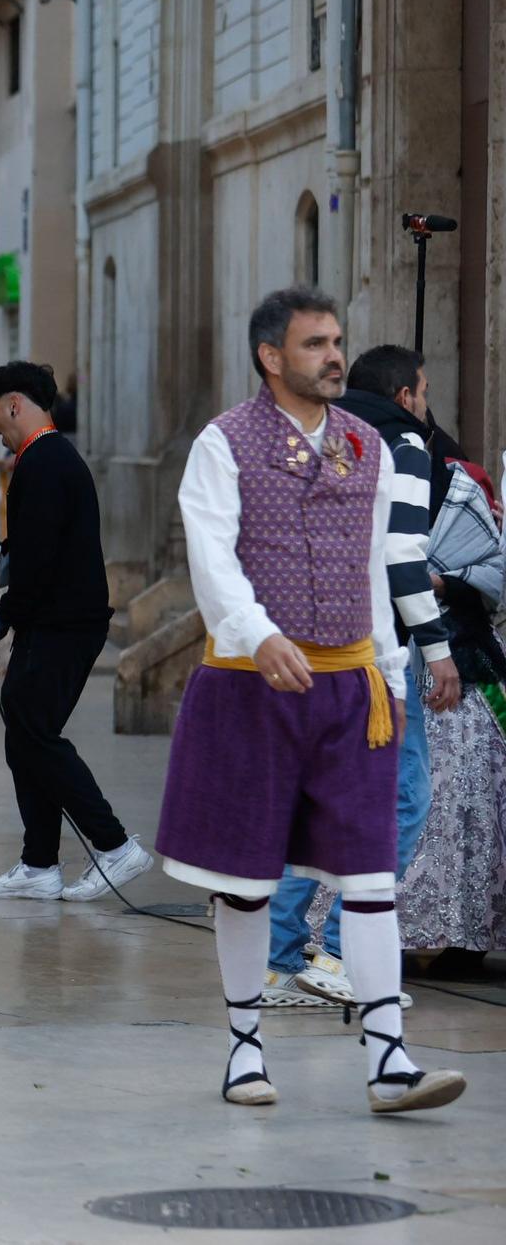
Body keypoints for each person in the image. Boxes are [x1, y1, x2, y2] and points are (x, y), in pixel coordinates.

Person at [156, 286, 465, 1114]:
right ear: (271, 356)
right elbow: (212, 556)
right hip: (249, 688)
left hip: (351, 689)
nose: (335, 355)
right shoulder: (223, 444)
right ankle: (244, 1050)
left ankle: (389, 1057)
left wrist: (393, 668)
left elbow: (383, 563)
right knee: (246, 879)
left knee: (370, 874)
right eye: (317, 344)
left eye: (338, 341)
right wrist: (258, 634)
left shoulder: (373, 445)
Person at [266, 344, 460, 1004]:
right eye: (426, 392)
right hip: (372, 654)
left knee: (322, 799)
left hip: (309, 643)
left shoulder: (325, 435)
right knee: (404, 799)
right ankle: (343, 955)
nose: (429, 405)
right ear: (405, 396)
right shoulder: (404, 443)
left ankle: (277, 958)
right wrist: (437, 649)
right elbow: (404, 556)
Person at [0, 363, 153, 902]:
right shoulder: (44, 459)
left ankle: (116, 847)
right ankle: (39, 864)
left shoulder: (47, 462)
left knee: (35, 733)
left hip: (63, 624)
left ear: (14, 405)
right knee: (24, 733)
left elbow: (43, 558)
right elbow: (35, 543)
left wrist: (7, 615)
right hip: (55, 620)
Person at [397, 459, 506, 969]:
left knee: (467, 812)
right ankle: (386, 936)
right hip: (406, 675)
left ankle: (466, 939)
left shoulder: (460, 486)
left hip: (467, 678)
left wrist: (444, 582)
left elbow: (493, 571)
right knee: (418, 808)